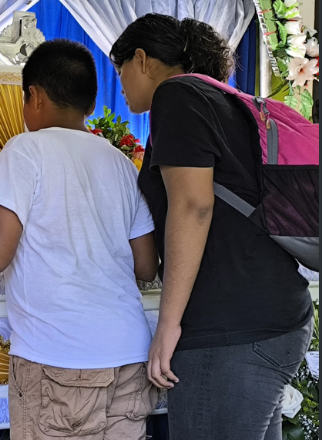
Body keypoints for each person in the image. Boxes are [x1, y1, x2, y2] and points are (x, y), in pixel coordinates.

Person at [0, 39, 159, 439]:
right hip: (131, 359)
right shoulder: (117, 160)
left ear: (34, 96)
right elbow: (146, 265)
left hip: (61, 359)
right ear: (91, 104)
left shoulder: (25, 149)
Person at [110, 14, 313, 440]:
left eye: (120, 68)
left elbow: (193, 205)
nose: (121, 83)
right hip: (269, 316)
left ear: (143, 59)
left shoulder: (178, 95)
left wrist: (168, 326)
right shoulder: (224, 101)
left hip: (231, 330)